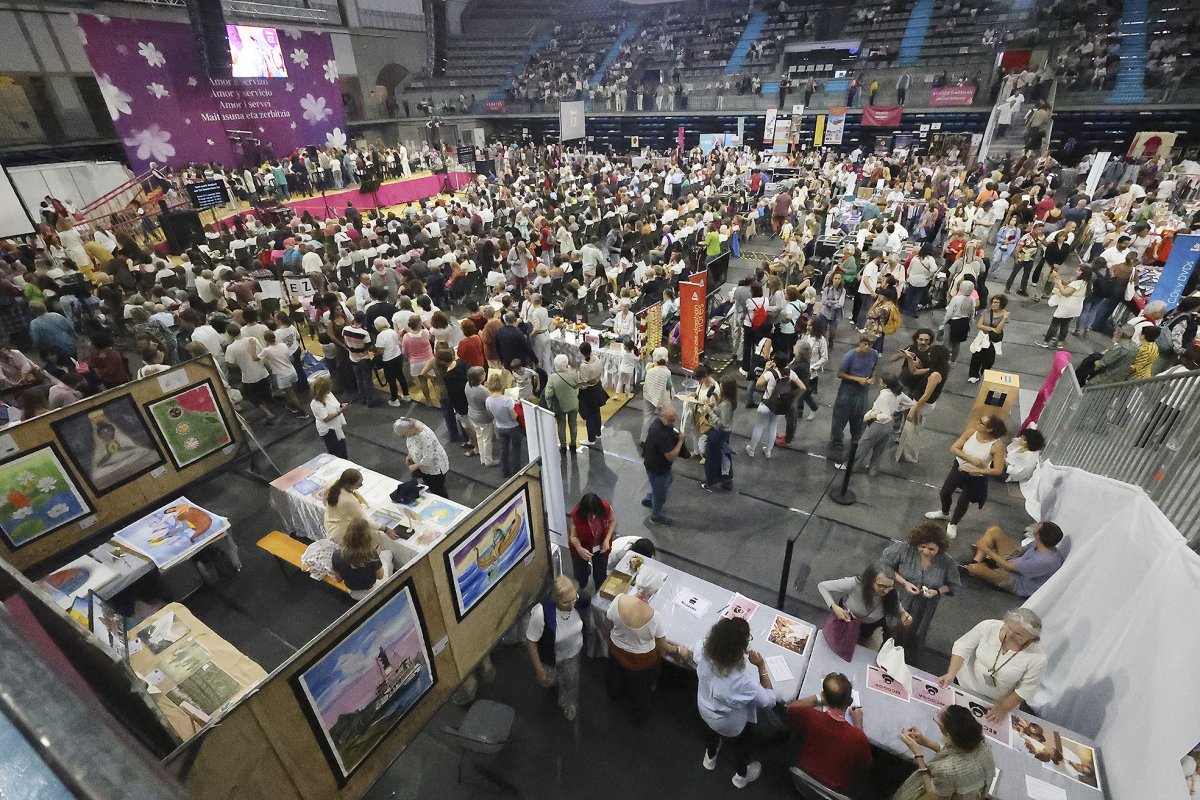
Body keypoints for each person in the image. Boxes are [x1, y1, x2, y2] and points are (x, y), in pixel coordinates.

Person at [690, 617, 775, 789]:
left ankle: (710, 758)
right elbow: (769, 701)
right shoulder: (744, 682)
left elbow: (697, 647)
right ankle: (741, 776)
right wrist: (761, 667)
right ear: (741, 649)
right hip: (730, 725)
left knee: (711, 733)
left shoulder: (703, 652)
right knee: (740, 748)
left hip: (705, 709)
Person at [606, 565, 685, 725]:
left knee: (617, 675)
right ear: (654, 592)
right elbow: (663, 647)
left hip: (615, 650)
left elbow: (609, 620)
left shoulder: (619, 599)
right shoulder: (655, 617)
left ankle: (615, 693)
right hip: (640, 660)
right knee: (640, 690)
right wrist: (678, 650)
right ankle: (639, 717)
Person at [939, 609, 1046, 721]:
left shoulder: (1037, 658)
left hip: (997, 703)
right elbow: (962, 647)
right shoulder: (988, 626)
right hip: (964, 685)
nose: (1010, 634)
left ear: (1031, 638)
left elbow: (1025, 689)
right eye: (1008, 627)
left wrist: (1002, 709)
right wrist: (951, 674)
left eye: (1018, 634)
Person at [786, 672, 872, 796]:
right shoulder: (857, 737)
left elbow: (791, 708)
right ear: (849, 702)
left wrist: (817, 698)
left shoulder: (810, 716)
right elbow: (866, 763)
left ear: (825, 697)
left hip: (802, 777)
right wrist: (858, 722)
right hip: (835, 790)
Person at [882, 522, 961, 654]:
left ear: (939, 548)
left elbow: (954, 585)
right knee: (889, 626)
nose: (926, 552)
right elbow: (885, 565)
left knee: (913, 635)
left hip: (924, 607)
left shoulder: (947, 562)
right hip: (899, 597)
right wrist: (904, 582)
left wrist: (936, 591)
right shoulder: (904, 549)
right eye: (922, 547)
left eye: (931, 549)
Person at [926, 414, 1007, 539]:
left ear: (990, 429)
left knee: (963, 500)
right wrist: (971, 460)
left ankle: (953, 523)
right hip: (959, 467)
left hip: (977, 476)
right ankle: (944, 512)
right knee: (945, 492)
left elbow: (998, 470)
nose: (977, 422)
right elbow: (954, 448)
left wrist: (977, 469)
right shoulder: (971, 432)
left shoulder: (997, 446)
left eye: (981, 422)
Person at [893, 705, 996, 800]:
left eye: (938, 721)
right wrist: (925, 741)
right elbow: (953, 753)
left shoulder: (945, 770)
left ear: (948, 734)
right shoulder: (982, 743)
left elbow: (933, 796)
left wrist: (918, 754)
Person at [525, 574, 588, 721]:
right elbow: (531, 641)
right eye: (566, 603)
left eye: (574, 599)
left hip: (572, 654)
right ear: (556, 599)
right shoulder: (541, 613)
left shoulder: (580, 599)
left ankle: (567, 702)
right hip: (550, 657)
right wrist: (539, 668)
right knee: (548, 681)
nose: (572, 605)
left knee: (571, 681)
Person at [818, 562, 913, 649]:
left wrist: (904, 615)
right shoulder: (855, 584)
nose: (886, 590)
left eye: (890, 587)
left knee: (867, 654)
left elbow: (897, 609)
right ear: (871, 580)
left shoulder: (891, 594)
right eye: (882, 586)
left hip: (872, 628)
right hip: (847, 622)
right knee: (834, 648)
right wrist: (834, 607)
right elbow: (822, 586)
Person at [965, 521, 1067, 597]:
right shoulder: (1040, 544)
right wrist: (998, 549)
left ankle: (978, 565)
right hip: (1017, 562)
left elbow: (1008, 568)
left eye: (1037, 527)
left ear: (1038, 536)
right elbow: (1021, 551)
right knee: (994, 530)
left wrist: (987, 549)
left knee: (974, 569)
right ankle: (977, 561)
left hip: (1017, 580)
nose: (1035, 527)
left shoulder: (1043, 561)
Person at [843, 374, 912, 475]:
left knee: (862, 446)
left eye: (881, 381)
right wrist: (897, 409)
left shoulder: (883, 397)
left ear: (885, 384)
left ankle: (849, 465)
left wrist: (872, 417)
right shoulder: (899, 394)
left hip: (878, 425)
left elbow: (886, 415)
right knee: (879, 449)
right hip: (889, 426)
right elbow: (910, 403)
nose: (879, 381)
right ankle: (873, 469)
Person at [745, 350, 805, 459]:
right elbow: (803, 387)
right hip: (778, 405)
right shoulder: (790, 373)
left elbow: (758, 384)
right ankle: (768, 451)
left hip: (766, 404)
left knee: (759, 427)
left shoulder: (770, 373)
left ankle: (751, 449)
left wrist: (766, 369)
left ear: (775, 362)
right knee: (773, 427)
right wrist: (794, 399)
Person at [829, 337, 879, 451]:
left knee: (860, 415)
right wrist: (857, 379)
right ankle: (836, 439)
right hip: (847, 390)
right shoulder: (850, 356)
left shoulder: (874, 354)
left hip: (863, 391)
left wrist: (873, 378)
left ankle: (856, 437)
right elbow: (840, 373)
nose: (867, 347)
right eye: (865, 344)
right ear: (860, 343)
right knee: (840, 416)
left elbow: (874, 368)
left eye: (870, 345)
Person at [642, 404, 688, 526]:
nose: (673, 423)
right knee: (660, 494)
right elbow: (671, 456)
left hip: (650, 463)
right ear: (663, 417)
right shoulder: (662, 435)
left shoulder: (656, 423)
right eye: (671, 420)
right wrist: (681, 441)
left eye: (674, 419)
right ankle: (655, 516)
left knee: (664, 480)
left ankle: (648, 499)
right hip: (659, 468)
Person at [330, 518, 395, 602]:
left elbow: (338, 579)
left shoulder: (336, 555)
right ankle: (390, 587)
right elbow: (380, 576)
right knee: (387, 554)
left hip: (354, 593)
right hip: (372, 590)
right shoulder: (371, 553)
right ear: (366, 536)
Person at [224, 324, 277, 424]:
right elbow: (262, 353)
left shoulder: (231, 348)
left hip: (248, 376)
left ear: (230, 334)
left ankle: (267, 412)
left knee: (252, 396)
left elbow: (229, 363)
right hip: (262, 372)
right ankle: (270, 408)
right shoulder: (253, 339)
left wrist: (240, 364)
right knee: (266, 392)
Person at [567, 492, 617, 591]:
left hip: (601, 546)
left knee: (600, 576)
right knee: (580, 577)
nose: (593, 517)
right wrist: (579, 548)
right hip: (582, 547)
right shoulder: (576, 515)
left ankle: (599, 593)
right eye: (590, 514)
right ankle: (582, 590)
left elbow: (613, 521)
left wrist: (607, 539)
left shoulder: (605, 508)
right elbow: (573, 536)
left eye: (595, 513)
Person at [393, 417, 450, 498]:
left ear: (409, 429)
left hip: (434, 467)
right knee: (429, 485)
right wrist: (410, 455)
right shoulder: (413, 429)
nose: (405, 437)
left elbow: (429, 457)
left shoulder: (425, 437)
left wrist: (415, 466)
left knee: (437, 489)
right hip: (423, 467)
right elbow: (412, 443)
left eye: (404, 435)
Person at [1040, 265, 1091, 350]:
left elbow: (1065, 292)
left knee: (1055, 323)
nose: (1076, 271)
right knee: (1065, 324)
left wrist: (1059, 284)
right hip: (1076, 307)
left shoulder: (1077, 283)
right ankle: (1060, 343)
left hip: (1067, 305)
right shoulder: (1088, 283)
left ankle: (1046, 342)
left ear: (1083, 273)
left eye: (1078, 270)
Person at [701, 378, 737, 493]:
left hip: (718, 434)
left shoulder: (726, 404)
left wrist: (710, 412)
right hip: (723, 434)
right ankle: (727, 480)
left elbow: (723, 423)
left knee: (712, 458)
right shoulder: (728, 400)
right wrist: (715, 401)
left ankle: (710, 482)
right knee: (724, 456)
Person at [486, 371, 525, 478]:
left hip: (500, 427)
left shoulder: (488, 400)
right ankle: (516, 471)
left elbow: (491, 414)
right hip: (512, 428)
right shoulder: (507, 400)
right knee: (516, 449)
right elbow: (513, 417)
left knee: (504, 449)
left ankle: (505, 471)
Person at [967, 294, 1010, 383]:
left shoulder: (1004, 315)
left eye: (996, 302)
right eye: (993, 302)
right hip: (982, 337)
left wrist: (1004, 319)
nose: (993, 304)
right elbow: (979, 325)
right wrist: (990, 328)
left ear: (1002, 304)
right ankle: (974, 375)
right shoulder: (987, 312)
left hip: (992, 341)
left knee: (988, 360)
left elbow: (998, 330)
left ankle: (984, 375)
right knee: (976, 356)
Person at [543, 353, 580, 452]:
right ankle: (573, 445)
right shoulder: (572, 374)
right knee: (573, 424)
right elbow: (577, 385)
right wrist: (571, 371)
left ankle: (563, 446)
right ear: (566, 364)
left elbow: (548, 394)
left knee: (561, 425)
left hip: (559, 406)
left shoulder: (552, 377)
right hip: (573, 404)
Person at [464, 366, 499, 467]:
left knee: (479, 436)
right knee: (487, 439)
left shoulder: (467, 384)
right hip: (483, 417)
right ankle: (488, 460)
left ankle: (482, 458)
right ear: (479, 377)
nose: (485, 374)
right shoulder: (483, 391)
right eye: (483, 373)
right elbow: (491, 402)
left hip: (472, 414)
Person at [576, 341, 607, 447]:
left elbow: (585, 381)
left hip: (588, 392)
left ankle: (591, 438)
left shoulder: (584, 366)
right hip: (598, 387)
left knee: (589, 415)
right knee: (596, 411)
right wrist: (596, 379)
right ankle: (598, 432)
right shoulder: (597, 358)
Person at [310, 375, 349, 458]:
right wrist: (339, 411)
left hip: (335, 427)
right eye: (328, 389)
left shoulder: (328, 395)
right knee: (335, 452)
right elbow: (326, 418)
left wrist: (341, 406)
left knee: (342, 448)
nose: (330, 390)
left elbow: (334, 404)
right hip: (328, 430)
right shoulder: (316, 404)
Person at [640, 347, 673, 443]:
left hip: (648, 396)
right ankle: (663, 439)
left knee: (647, 418)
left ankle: (644, 439)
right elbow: (669, 385)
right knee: (664, 419)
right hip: (662, 399)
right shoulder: (667, 372)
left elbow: (644, 378)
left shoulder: (649, 368)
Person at [942, 280, 976, 363]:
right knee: (957, 343)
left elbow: (949, 313)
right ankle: (953, 361)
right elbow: (972, 311)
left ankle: (944, 360)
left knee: (947, 342)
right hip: (964, 322)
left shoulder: (956, 299)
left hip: (954, 322)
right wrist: (971, 319)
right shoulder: (972, 299)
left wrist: (944, 322)